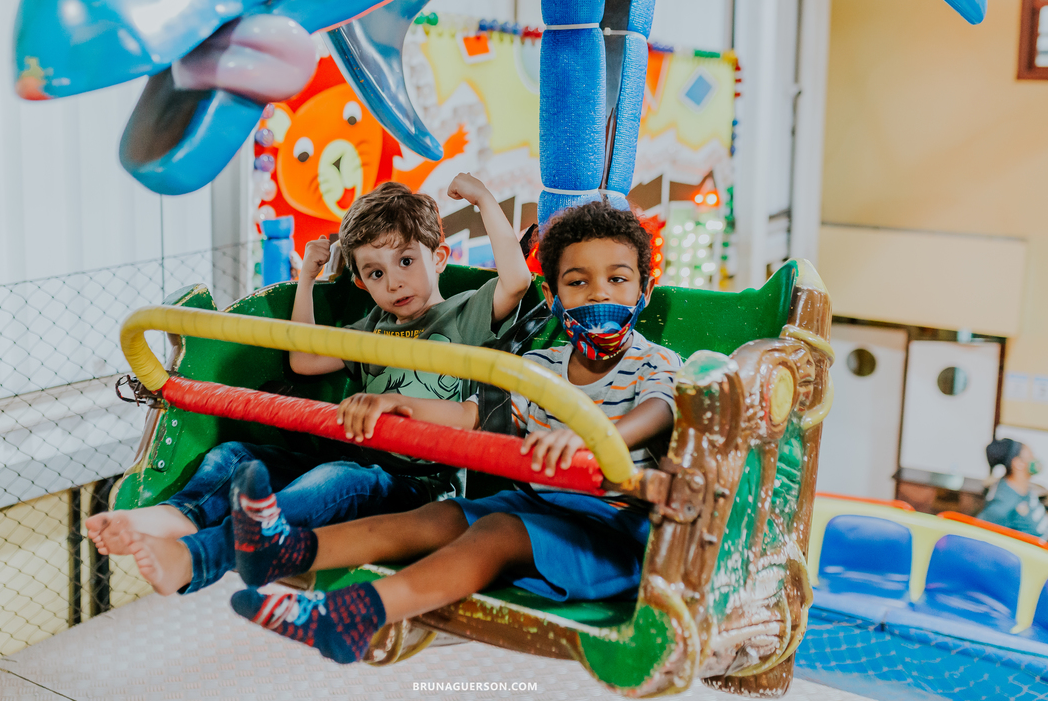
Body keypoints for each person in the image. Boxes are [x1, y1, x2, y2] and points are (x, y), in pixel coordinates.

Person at [218, 202, 682, 665]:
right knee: (438, 518)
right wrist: (400, 404)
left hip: (611, 529)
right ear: (553, 293)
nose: (599, 294)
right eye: (578, 282)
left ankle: (353, 616)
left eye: (617, 279)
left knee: (496, 530)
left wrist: (591, 439)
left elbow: (659, 411)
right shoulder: (541, 367)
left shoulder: (653, 362)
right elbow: (472, 414)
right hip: (540, 508)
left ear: (644, 289)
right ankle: (284, 549)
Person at [88, 175, 532, 595]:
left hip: (423, 487)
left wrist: (483, 199)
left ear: (438, 257)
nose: (394, 281)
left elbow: (517, 281)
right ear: (361, 283)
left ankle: (195, 558)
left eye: (406, 261)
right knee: (235, 456)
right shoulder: (374, 328)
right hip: (360, 463)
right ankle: (173, 518)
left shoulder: (464, 314)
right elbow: (304, 359)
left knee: (332, 479)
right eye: (375, 273)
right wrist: (306, 278)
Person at [978, 438, 1048, 544]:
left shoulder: (1024, 489)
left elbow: (1032, 507)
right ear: (1018, 463)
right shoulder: (1002, 504)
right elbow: (982, 537)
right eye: (1031, 456)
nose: (1035, 460)